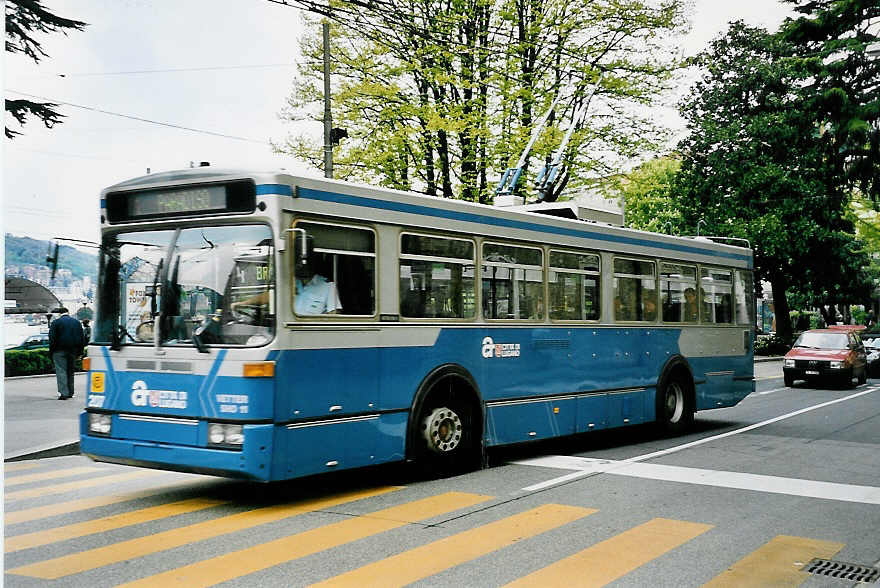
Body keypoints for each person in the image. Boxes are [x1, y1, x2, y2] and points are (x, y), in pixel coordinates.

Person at [48, 307, 85, 400]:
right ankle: (70, 392)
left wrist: (51, 352)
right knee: (70, 371)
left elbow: (52, 339)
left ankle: (64, 393)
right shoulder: (76, 322)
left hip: (59, 351)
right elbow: (82, 338)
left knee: (61, 371)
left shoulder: (56, 322)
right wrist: (80, 352)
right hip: (73, 351)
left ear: (59, 314)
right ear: (68, 312)